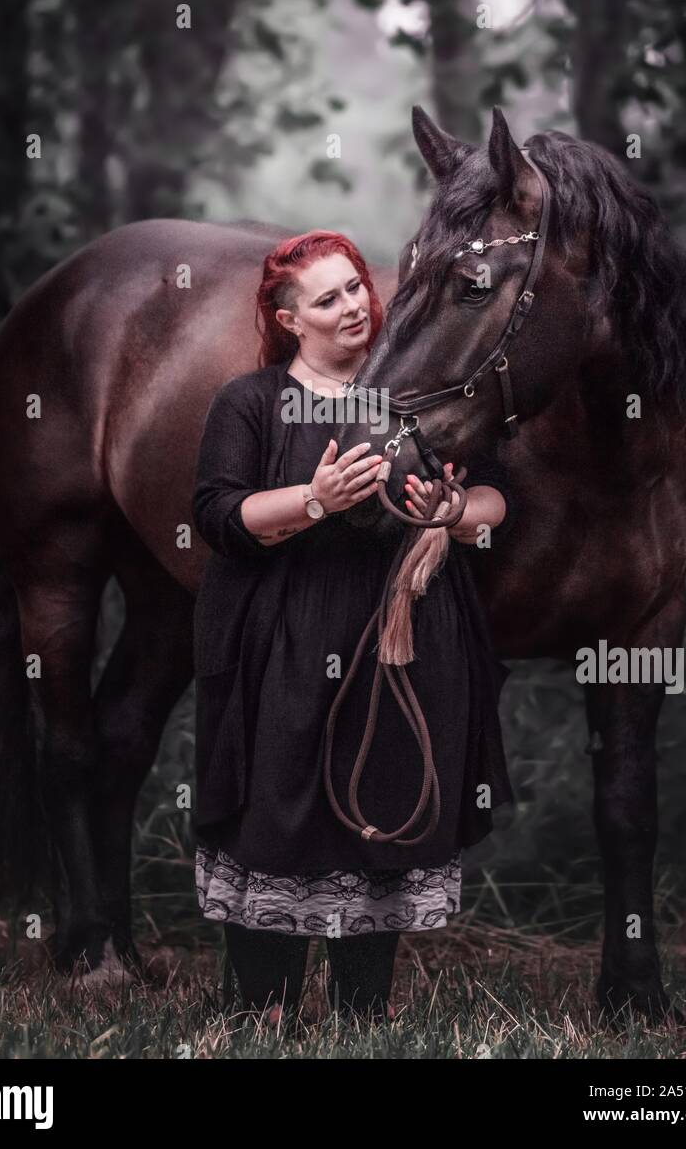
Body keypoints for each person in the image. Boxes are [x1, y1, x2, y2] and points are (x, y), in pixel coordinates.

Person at [191, 231, 516, 1025]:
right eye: (328, 297)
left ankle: (361, 1015)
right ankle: (258, 1014)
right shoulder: (253, 402)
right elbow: (217, 515)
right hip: (287, 642)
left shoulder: (422, 399)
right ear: (288, 318)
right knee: (278, 805)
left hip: (405, 643)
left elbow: (496, 498)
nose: (353, 307)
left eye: (356, 288)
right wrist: (316, 500)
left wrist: (453, 512)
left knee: (384, 800)